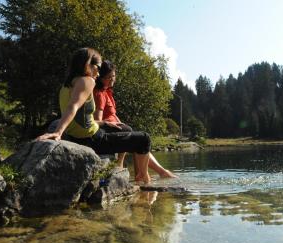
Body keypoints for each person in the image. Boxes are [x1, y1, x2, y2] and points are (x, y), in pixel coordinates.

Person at [36, 48, 151, 184]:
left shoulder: (67, 85)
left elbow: (80, 117)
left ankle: (128, 172)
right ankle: (145, 180)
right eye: (98, 67)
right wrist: (57, 132)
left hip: (80, 135)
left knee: (125, 129)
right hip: (92, 140)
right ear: (88, 65)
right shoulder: (87, 81)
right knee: (144, 139)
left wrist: (104, 123)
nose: (99, 72)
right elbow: (73, 106)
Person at [94, 60, 177, 178]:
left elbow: (113, 114)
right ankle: (149, 174)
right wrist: (113, 124)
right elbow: (98, 119)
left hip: (115, 127)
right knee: (134, 136)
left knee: (133, 136)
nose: (112, 79)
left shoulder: (107, 91)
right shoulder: (99, 94)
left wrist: (119, 122)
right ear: (101, 78)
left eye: (113, 75)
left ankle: (149, 173)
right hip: (106, 131)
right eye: (108, 77)